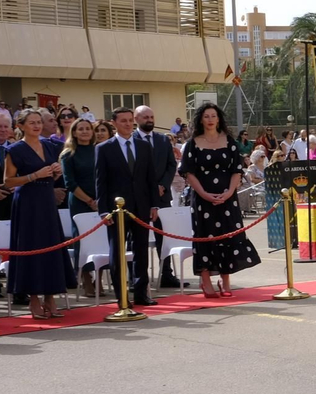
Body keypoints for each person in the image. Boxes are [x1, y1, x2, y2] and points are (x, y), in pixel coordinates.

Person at [180, 103, 261, 298]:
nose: (210, 119)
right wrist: (204, 194)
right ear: (201, 119)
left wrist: (229, 192)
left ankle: (225, 280)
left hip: (228, 198)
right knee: (205, 236)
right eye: (206, 116)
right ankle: (206, 280)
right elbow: (187, 172)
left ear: (218, 119)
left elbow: (236, 170)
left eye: (213, 116)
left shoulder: (230, 141)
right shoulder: (193, 143)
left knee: (228, 235)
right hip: (202, 199)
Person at [3, 109, 76, 319]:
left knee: (50, 247)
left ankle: (50, 296)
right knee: (31, 247)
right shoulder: (14, 149)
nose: (36, 126)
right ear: (21, 126)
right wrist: (34, 175)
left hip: (46, 201)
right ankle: (33, 298)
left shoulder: (49, 146)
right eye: (32, 123)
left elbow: (50, 178)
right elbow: (8, 181)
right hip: (26, 203)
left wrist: (55, 173)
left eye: (38, 122)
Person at [94, 107, 159, 307]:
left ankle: (141, 293)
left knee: (141, 251)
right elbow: (100, 181)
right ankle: (122, 296)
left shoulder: (143, 146)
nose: (128, 124)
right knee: (117, 253)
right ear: (114, 123)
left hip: (141, 206)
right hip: (117, 210)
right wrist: (104, 210)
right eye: (123, 121)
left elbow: (150, 177)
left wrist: (154, 204)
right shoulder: (104, 148)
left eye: (130, 120)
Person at [134, 105, 179, 288]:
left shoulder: (162, 140)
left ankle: (166, 273)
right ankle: (137, 277)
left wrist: (162, 185)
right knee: (138, 238)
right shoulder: (131, 140)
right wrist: (150, 188)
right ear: (136, 119)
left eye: (151, 116)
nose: (149, 120)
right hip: (139, 197)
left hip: (162, 196)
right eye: (145, 117)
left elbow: (171, 165)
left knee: (164, 237)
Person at [61, 117, 102, 296]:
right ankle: (86, 278)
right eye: (81, 129)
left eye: (88, 128)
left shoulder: (99, 150)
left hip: (101, 201)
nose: (85, 131)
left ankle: (99, 278)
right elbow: (69, 182)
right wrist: (89, 201)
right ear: (74, 132)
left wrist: (100, 200)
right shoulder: (68, 154)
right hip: (80, 202)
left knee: (101, 240)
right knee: (83, 240)